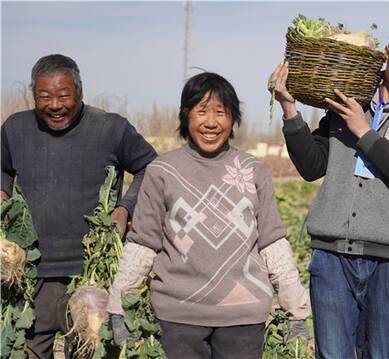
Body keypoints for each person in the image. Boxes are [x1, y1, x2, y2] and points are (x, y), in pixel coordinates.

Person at [269, 19, 389, 358]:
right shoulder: (350, 98)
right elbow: (312, 167)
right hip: (332, 255)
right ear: (386, 55)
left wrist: (364, 131)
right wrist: (290, 110)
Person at [105, 72, 311, 359]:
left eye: (221, 113)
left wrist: (296, 310)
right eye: (201, 111)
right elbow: (143, 244)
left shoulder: (253, 170)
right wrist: (118, 304)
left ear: (233, 119)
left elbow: (272, 244)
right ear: (185, 116)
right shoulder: (162, 171)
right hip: (178, 318)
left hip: (243, 318)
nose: (211, 123)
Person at [0, 54, 157, 358]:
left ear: (81, 92)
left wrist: (126, 207)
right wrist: (2, 193)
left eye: (64, 95)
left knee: (90, 352)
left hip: (92, 276)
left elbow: (151, 167)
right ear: (33, 95)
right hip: (31, 276)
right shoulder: (15, 128)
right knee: (25, 350)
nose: (55, 105)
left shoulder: (111, 128)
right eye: (44, 96)